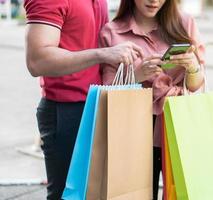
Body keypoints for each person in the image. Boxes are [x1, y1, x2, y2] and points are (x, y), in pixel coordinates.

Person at [24, 0, 144, 199]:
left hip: (97, 103)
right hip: (66, 111)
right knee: (68, 194)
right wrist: (102, 54)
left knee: (96, 193)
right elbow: (37, 61)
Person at [100, 0, 205, 199]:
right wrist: (136, 75)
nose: (154, 1)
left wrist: (193, 67)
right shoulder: (112, 32)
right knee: (135, 194)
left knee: (181, 192)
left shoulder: (185, 23)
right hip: (132, 129)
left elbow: (195, 85)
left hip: (177, 124)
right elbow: (106, 90)